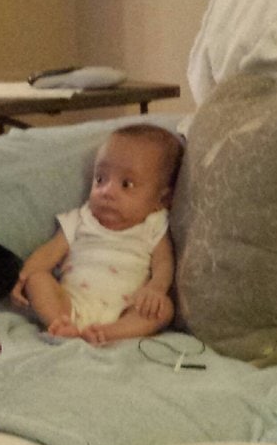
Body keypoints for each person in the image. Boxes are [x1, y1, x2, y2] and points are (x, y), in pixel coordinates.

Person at [11, 123, 184, 345]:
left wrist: (155, 289)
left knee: (164, 309)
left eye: (126, 184)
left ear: (162, 200)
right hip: (69, 304)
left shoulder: (154, 225)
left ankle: (109, 332)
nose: (107, 192)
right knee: (37, 279)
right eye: (100, 179)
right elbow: (49, 253)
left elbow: (164, 264)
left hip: (126, 311)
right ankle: (61, 325)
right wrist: (24, 277)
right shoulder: (82, 218)